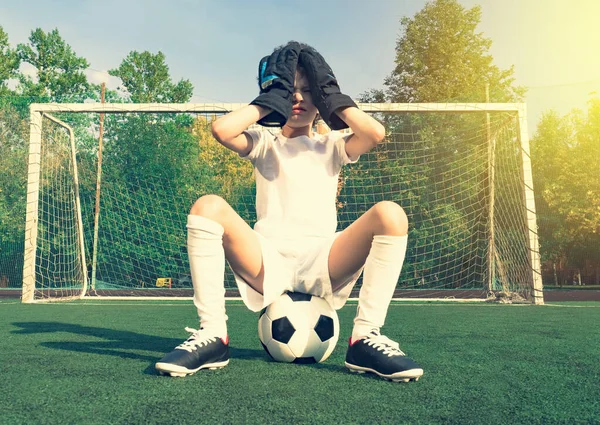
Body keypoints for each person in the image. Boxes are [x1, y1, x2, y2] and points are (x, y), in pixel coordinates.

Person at [155, 41, 423, 382]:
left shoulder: (333, 145)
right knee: (207, 207)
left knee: (391, 214)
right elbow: (222, 130)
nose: (297, 98)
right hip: (269, 261)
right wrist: (271, 98)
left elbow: (375, 132)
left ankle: (365, 337)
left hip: (324, 259)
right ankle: (213, 335)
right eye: (287, 90)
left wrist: (331, 95)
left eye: (308, 90)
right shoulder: (265, 142)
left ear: (323, 96)